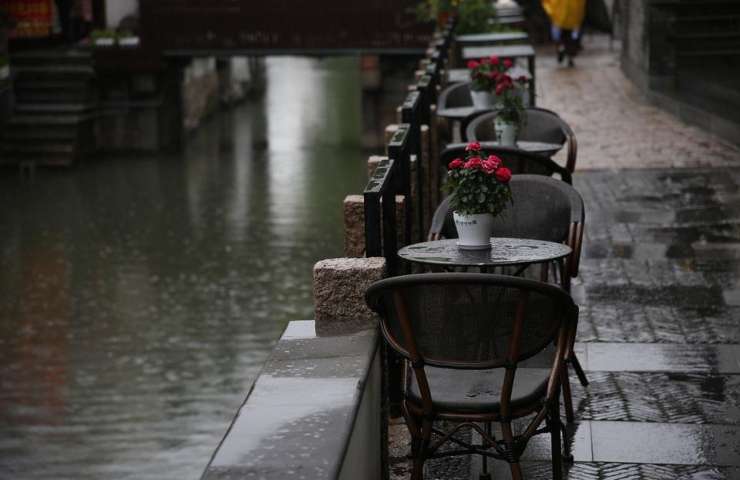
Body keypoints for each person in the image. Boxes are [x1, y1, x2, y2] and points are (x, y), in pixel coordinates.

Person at [541, 0, 586, 67]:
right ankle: (566, 53)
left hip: (564, 17)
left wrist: (551, 11)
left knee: (567, 38)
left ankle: (564, 51)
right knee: (570, 39)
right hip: (568, 17)